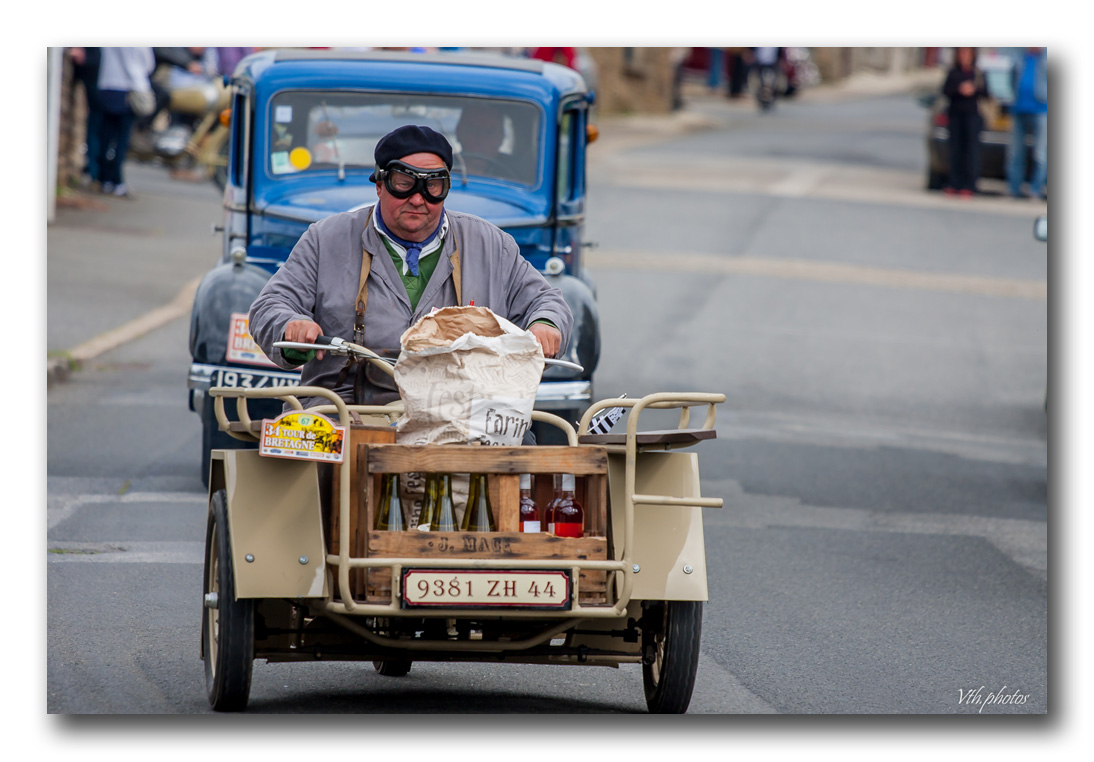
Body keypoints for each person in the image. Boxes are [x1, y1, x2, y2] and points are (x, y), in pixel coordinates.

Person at [248, 124, 572, 410]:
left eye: (433, 186)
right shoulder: (325, 239)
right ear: (379, 184)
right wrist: (292, 325)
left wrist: (546, 325)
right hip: (343, 409)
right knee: (309, 456)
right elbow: (269, 306)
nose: (418, 199)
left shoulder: (492, 245)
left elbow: (547, 301)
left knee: (521, 459)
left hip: (463, 415)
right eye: (404, 183)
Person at [95, 46, 155, 198]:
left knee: (106, 135)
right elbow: (147, 64)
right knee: (121, 140)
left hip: (106, 85)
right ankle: (118, 181)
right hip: (128, 89)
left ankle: (104, 179)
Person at [941, 47, 988, 197]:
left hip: (972, 116)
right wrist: (959, 89)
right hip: (956, 116)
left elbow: (986, 93)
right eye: (962, 53)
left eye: (968, 53)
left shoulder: (978, 74)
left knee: (971, 151)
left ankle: (970, 185)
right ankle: (954, 182)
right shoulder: (954, 73)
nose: (965, 56)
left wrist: (973, 90)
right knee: (955, 150)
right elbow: (945, 91)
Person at [1007, 47, 1047, 200]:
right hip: (1019, 109)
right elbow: (1012, 79)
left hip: (1042, 110)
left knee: (1040, 154)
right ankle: (1013, 189)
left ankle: (1035, 190)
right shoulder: (1020, 57)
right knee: (1016, 153)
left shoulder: (1046, 58)